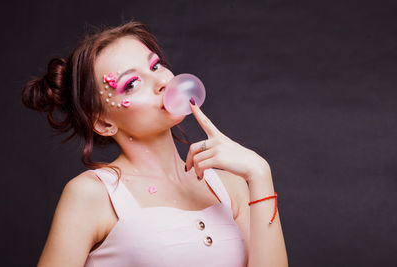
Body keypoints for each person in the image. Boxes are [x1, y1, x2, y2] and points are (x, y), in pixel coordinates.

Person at [22, 21, 288, 267]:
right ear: (103, 124)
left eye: (155, 65)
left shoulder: (230, 186)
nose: (162, 81)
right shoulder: (91, 195)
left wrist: (259, 173)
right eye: (132, 83)